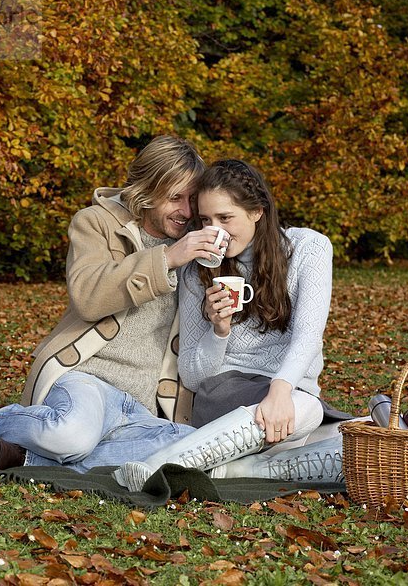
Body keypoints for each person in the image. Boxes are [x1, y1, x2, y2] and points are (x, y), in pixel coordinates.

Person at [0, 135, 228, 472]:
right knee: (71, 434)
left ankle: (26, 456)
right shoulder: (95, 223)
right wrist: (167, 259)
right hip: (87, 378)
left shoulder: (199, 244)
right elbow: (88, 297)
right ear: (146, 191)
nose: (187, 211)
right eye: (175, 198)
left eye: (193, 199)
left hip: (140, 404)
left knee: (193, 447)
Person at [115, 159, 354, 491]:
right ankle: (162, 467)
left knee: (347, 439)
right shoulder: (197, 270)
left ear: (256, 211)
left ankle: (226, 471)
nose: (217, 231)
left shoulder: (307, 248)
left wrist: (280, 391)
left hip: (285, 399)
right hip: (226, 397)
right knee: (310, 410)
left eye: (225, 218)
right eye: (206, 220)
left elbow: (308, 336)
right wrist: (219, 331)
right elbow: (194, 376)